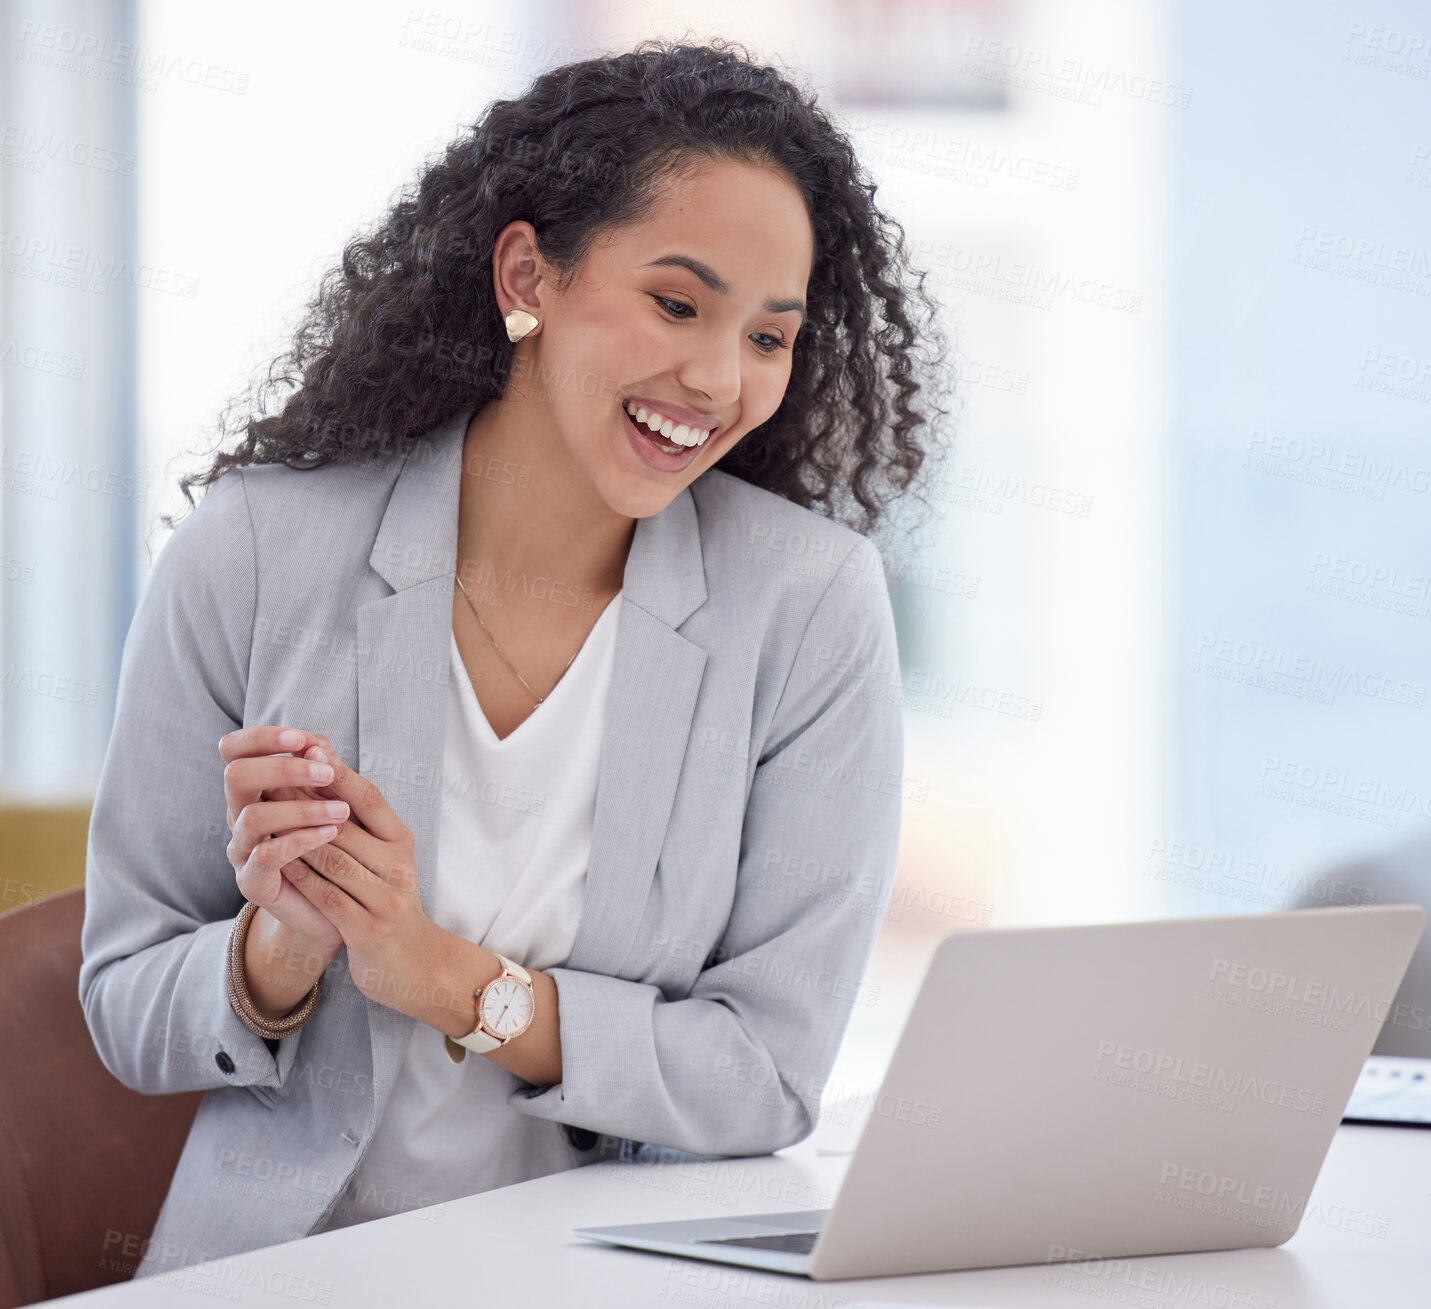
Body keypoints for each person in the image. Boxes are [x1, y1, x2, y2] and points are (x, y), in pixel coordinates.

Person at [78, 35, 953, 1277]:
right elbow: (120, 1000)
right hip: (288, 1268)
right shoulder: (256, 550)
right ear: (527, 274)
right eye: (675, 303)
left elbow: (764, 1075)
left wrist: (442, 977)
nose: (716, 377)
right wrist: (279, 950)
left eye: (769, 337)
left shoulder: (811, 607)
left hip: (633, 1271)